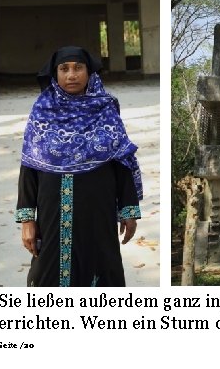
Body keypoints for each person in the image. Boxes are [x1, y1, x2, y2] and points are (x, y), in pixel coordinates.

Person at [15, 46, 143, 287]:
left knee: (100, 267)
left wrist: (128, 210)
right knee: (48, 271)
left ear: (90, 72)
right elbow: (29, 165)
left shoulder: (105, 107)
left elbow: (122, 159)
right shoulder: (42, 110)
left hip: (98, 209)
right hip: (52, 209)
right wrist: (27, 220)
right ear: (55, 74)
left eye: (78, 68)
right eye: (64, 69)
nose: (71, 75)